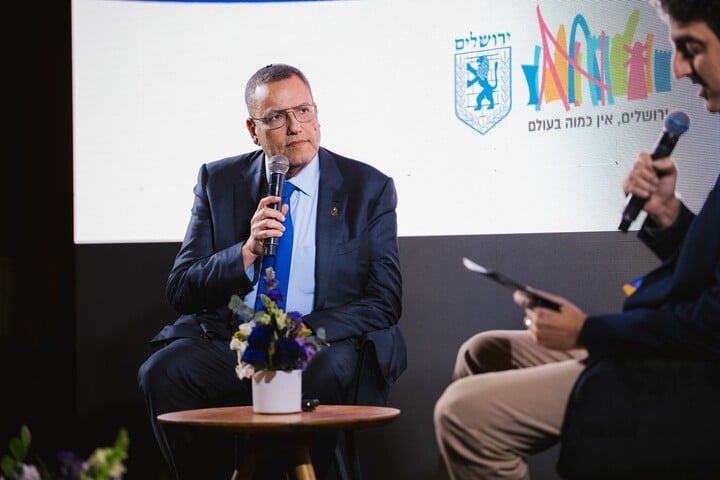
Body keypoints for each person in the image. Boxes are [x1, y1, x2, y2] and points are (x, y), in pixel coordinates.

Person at [433, 0, 720, 478]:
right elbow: (706, 270)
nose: (679, 68)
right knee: (482, 352)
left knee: (461, 413)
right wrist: (668, 213)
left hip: (690, 371)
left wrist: (587, 331)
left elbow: (711, 323)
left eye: (691, 48)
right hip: (670, 343)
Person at [138, 63, 406, 479]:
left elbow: (384, 300)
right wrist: (246, 252)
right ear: (253, 129)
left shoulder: (366, 187)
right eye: (277, 117)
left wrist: (299, 334)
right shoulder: (218, 181)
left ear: (317, 113)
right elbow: (182, 288)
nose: (295, 127)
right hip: (237, 341)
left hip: (319, 340)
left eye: (303, 111)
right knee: (164, 372)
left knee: (322, 370)